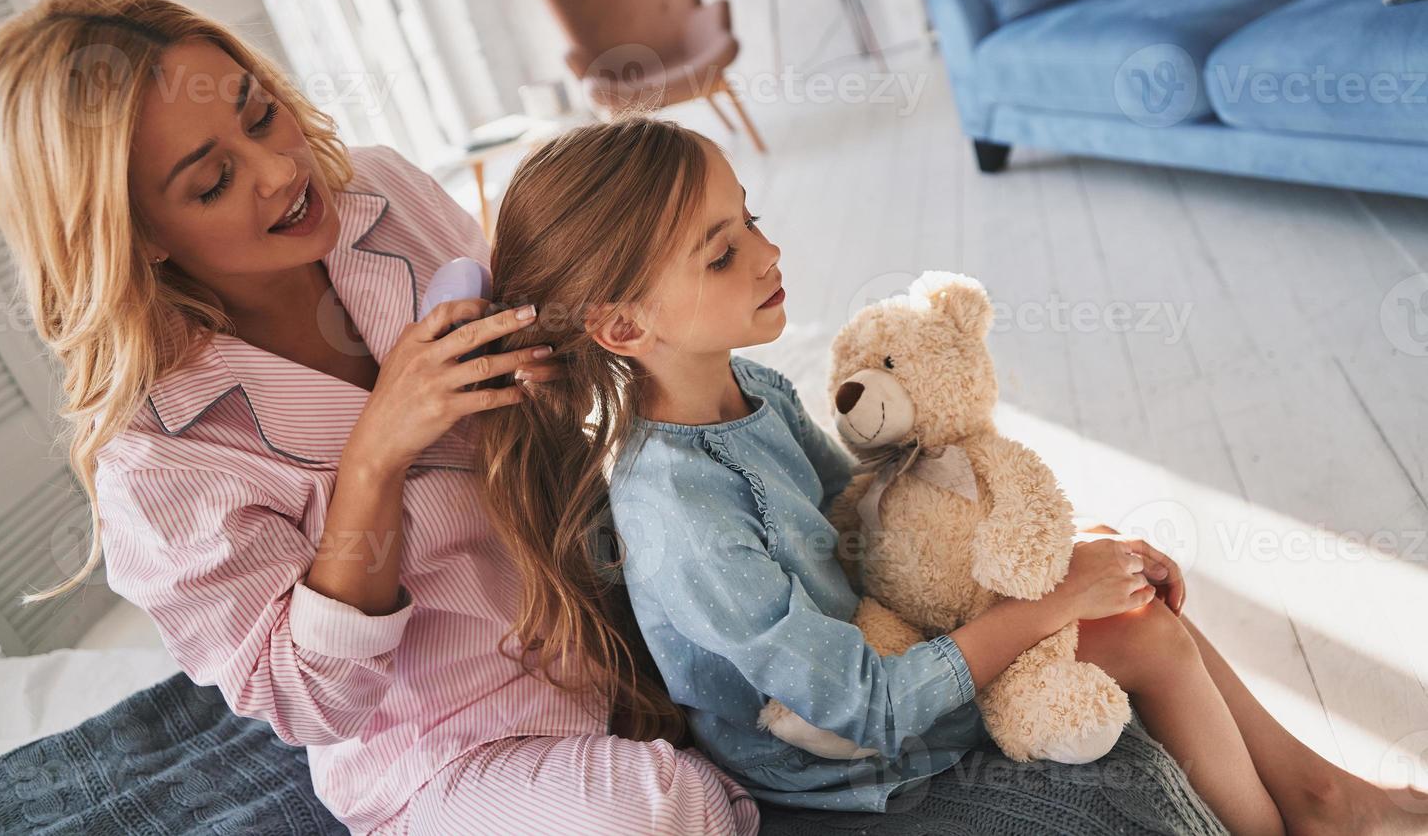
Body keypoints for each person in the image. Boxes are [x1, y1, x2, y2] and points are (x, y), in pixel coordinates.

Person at [477, 114, 1428, 836]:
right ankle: (1305, 812)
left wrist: (1056, 555)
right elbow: (859, 704)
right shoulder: (678, 507)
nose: (769, 254)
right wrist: (1046, 609)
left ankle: (1323, 795)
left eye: (750, 221)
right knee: (1142, 638)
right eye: (723, 254)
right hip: (840, 749)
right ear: (623, 329)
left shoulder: (749, 386)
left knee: (1126, 592)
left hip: (890, 640)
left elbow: (872, 521)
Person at [0, 0, 758, 835]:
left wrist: (549, 375)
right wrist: (375, 456)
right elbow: (309, 703)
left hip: (612, 620)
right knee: (664, 811)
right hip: (450, 753)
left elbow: (568, 406)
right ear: (139, 237)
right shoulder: (159, 461)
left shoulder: (381, 194)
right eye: (214, 181)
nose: (279, 171)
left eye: (261, 115)